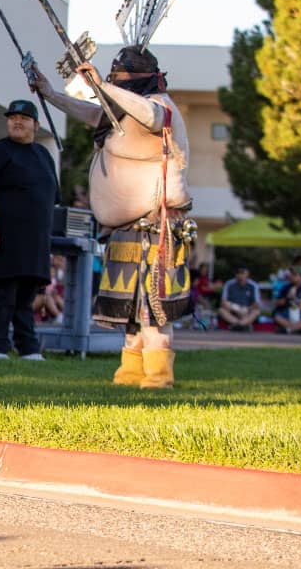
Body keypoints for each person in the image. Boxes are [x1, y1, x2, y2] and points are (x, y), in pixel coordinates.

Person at [31, 46, 195, 388]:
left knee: (153, 307)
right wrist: (51, 94)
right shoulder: (120, 112)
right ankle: (130, 371)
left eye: (120, 82)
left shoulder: (160, 105)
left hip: (157, 226)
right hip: (125, 228)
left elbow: (152, 117)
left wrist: (103, 87)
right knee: (130, 310)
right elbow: (92, 113)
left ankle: (158, 374)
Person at [0, 100, 57, 360]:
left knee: (27, 296)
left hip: (34, 242)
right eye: (12, 118)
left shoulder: (44, 156)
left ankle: (28, 347)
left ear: (36, 125)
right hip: (2, 238)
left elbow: (50, 199)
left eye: (24, 118)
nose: (17, 122)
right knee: (3, 293)